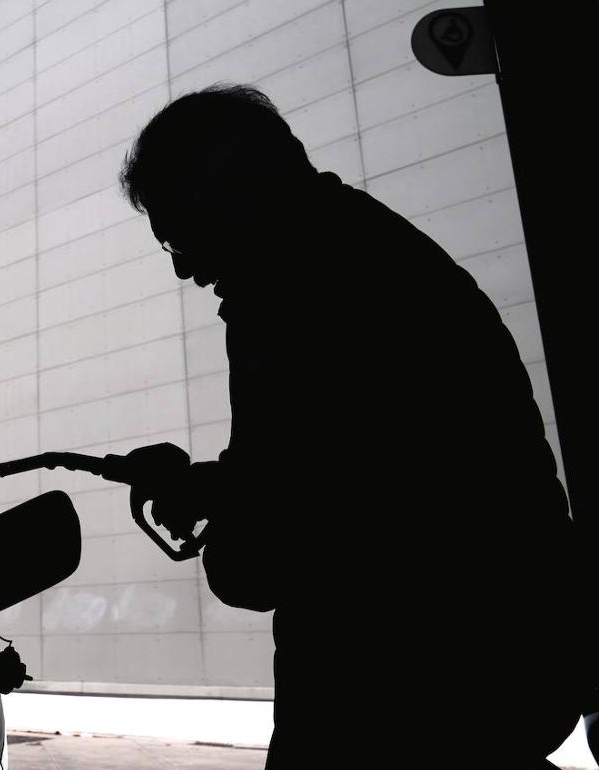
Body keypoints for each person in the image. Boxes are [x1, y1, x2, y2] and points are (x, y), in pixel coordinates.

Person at [117, 84, 586, 768]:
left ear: (233, 191)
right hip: (495, 675)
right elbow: (365, 473)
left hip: (393, 700)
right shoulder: (375, 256)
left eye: (179, 234)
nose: (186, 269)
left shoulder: (289, 300)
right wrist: (215, 486)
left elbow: (274, 547)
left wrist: (220, 508)